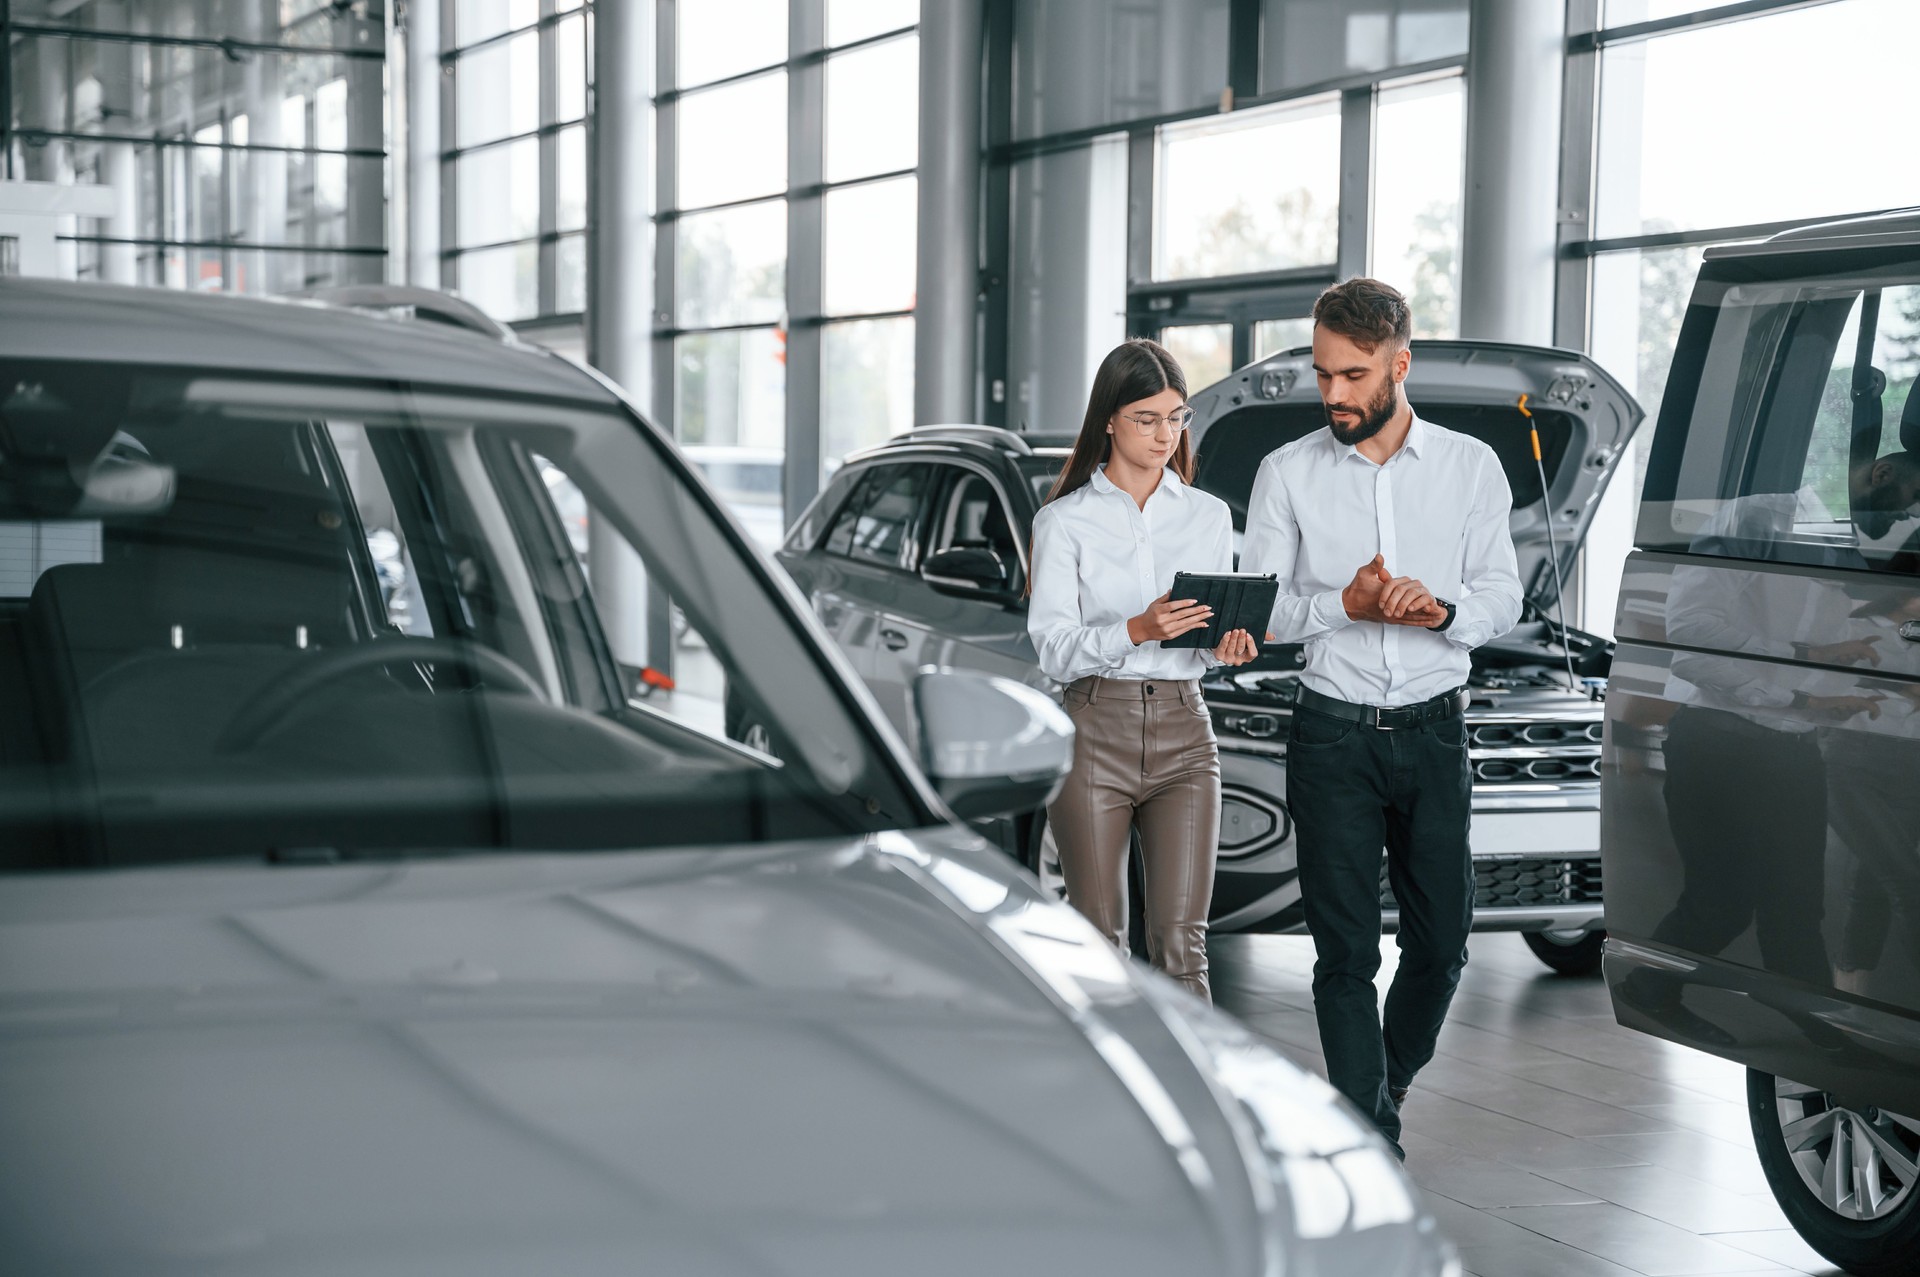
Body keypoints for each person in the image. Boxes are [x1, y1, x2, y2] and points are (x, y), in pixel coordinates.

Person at [1240, 278, 1522, 1157]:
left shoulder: (1472, 467)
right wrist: (1345, 604)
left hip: (1435, 730)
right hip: (1332, 733)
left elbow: (1503, 592)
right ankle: (1368, 1135)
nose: (1334, 395)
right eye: (1324, 374)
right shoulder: (1285, 473)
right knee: (1345, 954)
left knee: (1441, 945)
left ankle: (1374, 1092)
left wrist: (1439, 612)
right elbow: (1260, 609)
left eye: (1354, 375)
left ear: (1401, 364)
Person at [1028, 338, 1259, 1002]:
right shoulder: (1064, 521)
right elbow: (1052, 648)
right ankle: (1108, 1100)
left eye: (1176, 418)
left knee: (1184, 947)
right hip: (1095, 727)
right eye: (1146, 419)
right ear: (1109, 419)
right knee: (1099, 944)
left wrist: (1227, 647)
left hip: (1187, 734)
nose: (1165, 435)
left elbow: (1208, 641)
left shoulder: (1208, 516)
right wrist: (1138, 627)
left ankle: (1193, 1101)